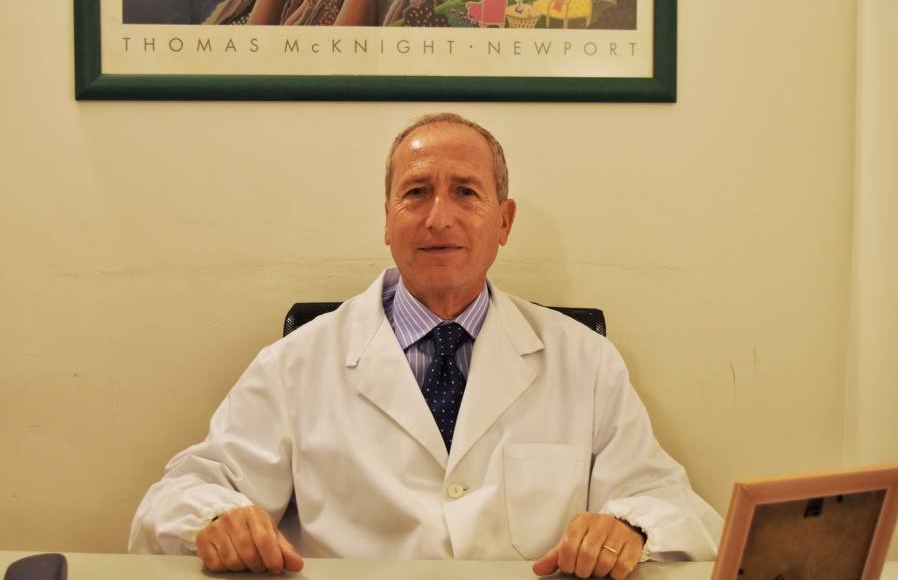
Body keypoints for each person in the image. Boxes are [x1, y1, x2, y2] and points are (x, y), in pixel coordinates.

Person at [129, 113, 723, 579]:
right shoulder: (294, 365)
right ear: (388, 221)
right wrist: (218, 520)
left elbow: (675, 507)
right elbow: (172, 501)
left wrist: (628, 527)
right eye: (416, 192)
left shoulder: (585, 361)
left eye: (465, 192)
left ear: (504, 222)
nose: (439, 217)